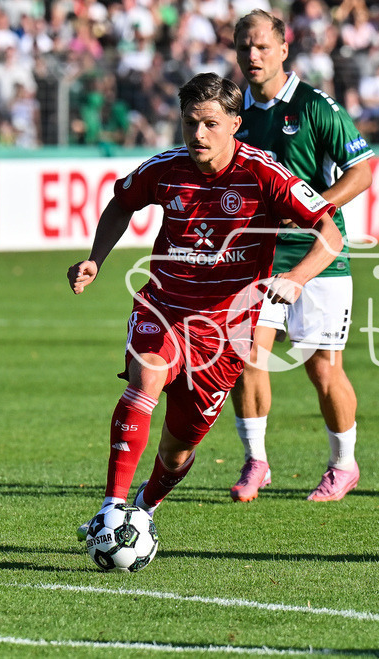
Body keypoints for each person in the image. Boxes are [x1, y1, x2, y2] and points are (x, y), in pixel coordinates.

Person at [69, 72, 341, 534]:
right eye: (190, 122)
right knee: (148, 373)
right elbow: (121, 204)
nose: (198, 134)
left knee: (178, 449)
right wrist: (96, 259)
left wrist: (296, 278)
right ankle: (112, 508)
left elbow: (329, 235)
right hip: (165, 308)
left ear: (236, 123)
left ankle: (143, 505)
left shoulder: (264, 174)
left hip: (225, 334)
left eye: (210, 124)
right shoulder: (165, 168)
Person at [229, 9, 374, 503]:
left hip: (320, 255)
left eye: (263, 47)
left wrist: (314, 207)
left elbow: (363, 171)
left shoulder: (315, 107)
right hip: (258, 257)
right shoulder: (230, 112)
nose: (253, 56)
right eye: (245, 47)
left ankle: (343, 464)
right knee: (246, 357)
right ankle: (256, 462)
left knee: (322, 369)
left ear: (283, 49)